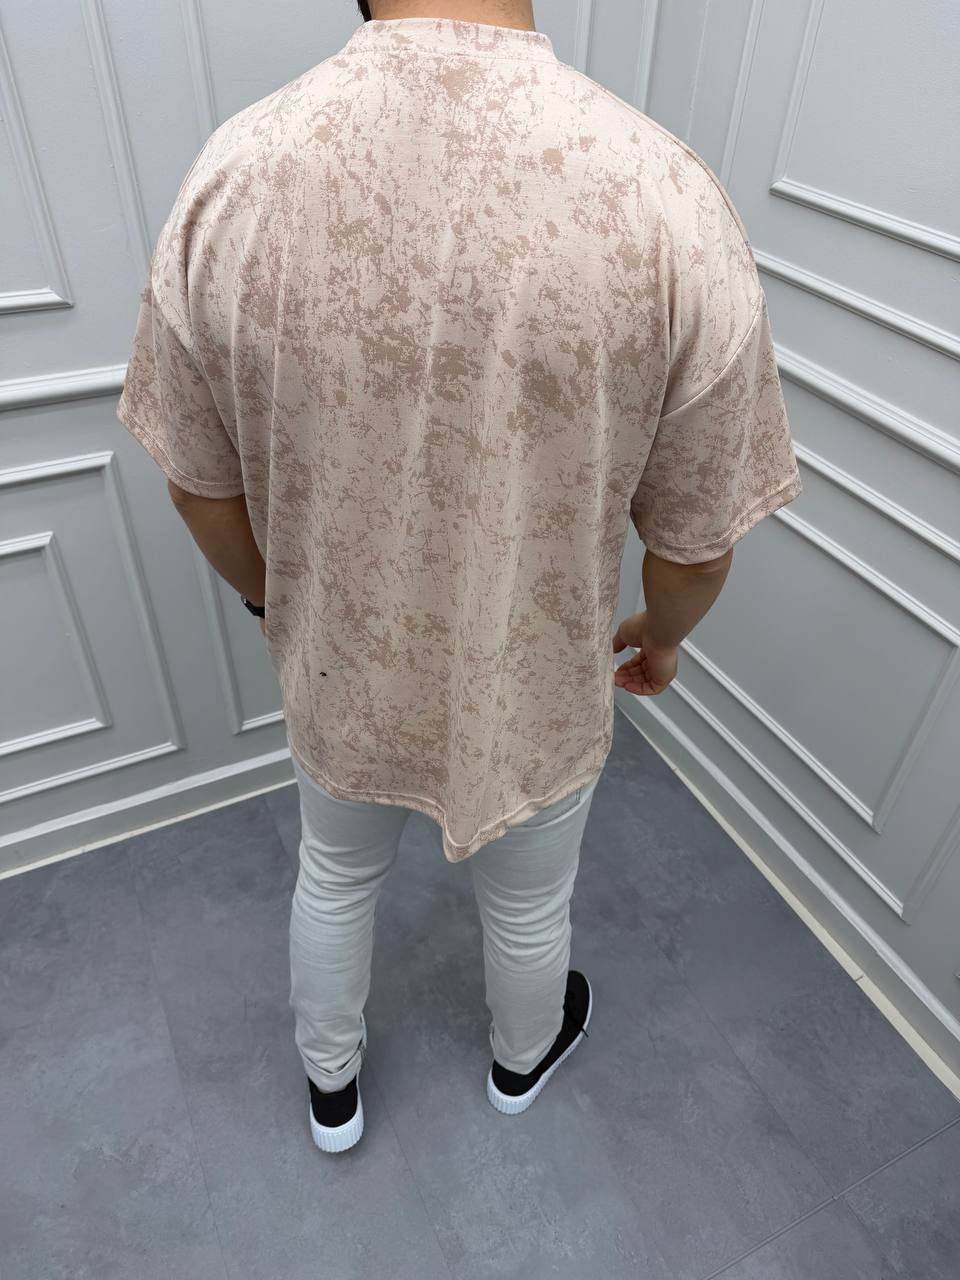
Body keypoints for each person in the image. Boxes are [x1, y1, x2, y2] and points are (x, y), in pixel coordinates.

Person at [116, 0, 802, 1154]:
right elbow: (697, 544)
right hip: (535, 675)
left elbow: (197, 487)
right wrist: (661, 634)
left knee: (335, 873)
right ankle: (520, 1061)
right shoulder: (662, 195)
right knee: (530, 898)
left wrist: (274, 601)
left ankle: (331, 1090)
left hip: (342, 663)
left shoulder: (237, 174)